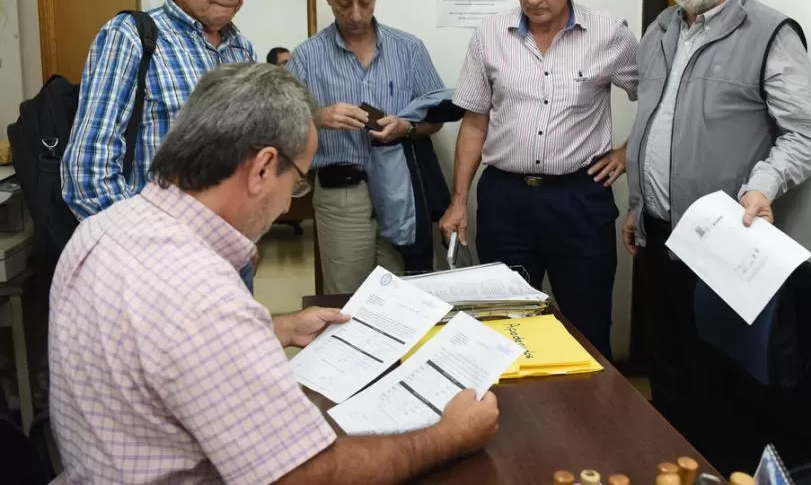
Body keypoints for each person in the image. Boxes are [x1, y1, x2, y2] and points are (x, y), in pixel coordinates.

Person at [48, 63, 500, 484]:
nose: (289, 201)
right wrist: (448, 436)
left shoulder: (101, 230)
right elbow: (305, 475)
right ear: (263, 167)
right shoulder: (203, 295)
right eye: (298, 179)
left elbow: (154, 342)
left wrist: (273, 328)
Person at [622, 0, 811, 416]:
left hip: (720, 243)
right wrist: (636, 205)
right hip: (655, 233)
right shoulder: (661, 29)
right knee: (663, 366)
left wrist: (764, 185)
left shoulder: (771, 33)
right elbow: (654, 123)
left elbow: (803, 135)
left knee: (713, 382)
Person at [439, 0, 638, 359]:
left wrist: (626, 153)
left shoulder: (609, 34)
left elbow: (658, 99)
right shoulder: (489, 35)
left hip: (579, 201)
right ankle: (513, 424)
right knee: (504, 327)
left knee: (587, 328)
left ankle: (589, 425)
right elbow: (474, 122)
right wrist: (458, 200)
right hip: (505, 201)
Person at [60, 0, 260, 291]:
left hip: (229, 265)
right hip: (157, 272)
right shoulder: (132, 37)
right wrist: (154, 256)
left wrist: (245, 237)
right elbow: (87, 174)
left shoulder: (241, 48)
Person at [288, 0, 447, 293]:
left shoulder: (409, 50)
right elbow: (282, 127)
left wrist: (407, 128)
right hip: (340, 195)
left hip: (401, 191)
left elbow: (436, 118)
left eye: (365, 1)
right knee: (346, 301)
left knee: (403, 297)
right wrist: (318, 118)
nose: (356, 14)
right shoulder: (306, 56)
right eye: (344, 3)